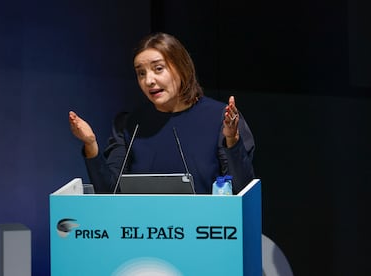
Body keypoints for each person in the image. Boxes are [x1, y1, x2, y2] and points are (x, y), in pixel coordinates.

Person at [69, 32, 255, 194]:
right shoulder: (130, 124)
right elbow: (109, 193)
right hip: (143, 231)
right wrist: (91, 145)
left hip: (206, 231)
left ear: (182, 67)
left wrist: (232, 141)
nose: (149, 80)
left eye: (158, 69)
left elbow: (243, 190)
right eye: (141, 73)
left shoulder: (220, 119)